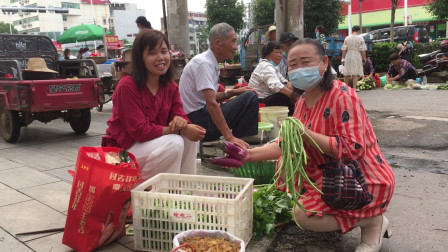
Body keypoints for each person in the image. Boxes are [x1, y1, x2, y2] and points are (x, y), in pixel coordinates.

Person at [242, 38, 395, 252]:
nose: (298, 69)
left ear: (324, 62)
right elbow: (286, 144)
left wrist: (305, 134)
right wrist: (248, 155)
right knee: (285, 167)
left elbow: (353, 148)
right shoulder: (303, 101)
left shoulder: (342, 96)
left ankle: (372, 221)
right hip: (329, 175)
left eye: (306, 62)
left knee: (302, 214)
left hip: (360, 178)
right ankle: (354, 216)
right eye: (293, 65)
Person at [101, 29, 206, 181]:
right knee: (175, 143)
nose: (160, 58)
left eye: (164, 51)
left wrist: (182, 123)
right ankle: (143, 189)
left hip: (152, 145)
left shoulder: (170, 86)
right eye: (152, 53)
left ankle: (185, 192)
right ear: (140, 58)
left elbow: (180, 115)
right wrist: (177, 131)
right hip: (122, 152)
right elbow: (139, 131)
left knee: (190, 138)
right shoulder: (127, 86)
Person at [179, 22, 258, 149]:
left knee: (246, 95)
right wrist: (229, 137)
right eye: (233, 42)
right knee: (249, 98)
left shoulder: (209, 62)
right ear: (217, 43)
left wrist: (233, 92)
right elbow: (211, 103)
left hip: (201, 116)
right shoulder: (204, 63)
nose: (235, 47)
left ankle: (241, 143)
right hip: (199, 124)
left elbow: (210, 99)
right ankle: (239, 144)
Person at [248, 41, 295, 115]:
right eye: (277, 52)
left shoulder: (273, 67)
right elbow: (275, 86)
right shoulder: (265, 66)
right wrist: (294, 96)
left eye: (280, 53)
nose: (280, 55)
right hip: (258, 102)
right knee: (284, 96)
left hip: (266, 99)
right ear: (268, 54)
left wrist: (294, 88)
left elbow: (283, 81)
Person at [341, 25, 367, 92]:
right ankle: (354, 88)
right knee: (355, 72)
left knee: (346, 72)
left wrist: (343, 58)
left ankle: (345, 88)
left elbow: (344, 49)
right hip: (357, 55)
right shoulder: (360, 38)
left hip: (348, 55)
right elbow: (363, 50)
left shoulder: (347, 38)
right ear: (358, 31)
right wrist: (364, 59)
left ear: (352, 30)